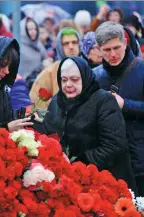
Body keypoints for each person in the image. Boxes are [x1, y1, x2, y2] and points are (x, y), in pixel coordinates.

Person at [32, 57, 137, 192]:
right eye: (64, 80)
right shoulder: (57, 101)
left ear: (85, 78)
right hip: (70, 182)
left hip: (105, 183)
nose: (68, 84)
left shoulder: (103, 101)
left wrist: (78, 162)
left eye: (74, 79)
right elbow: (51, 131)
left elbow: (114, 145)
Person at [93, 21, 144, 196]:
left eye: (117, 47)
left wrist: (125, 105)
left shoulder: (142, 69)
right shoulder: (95, 76)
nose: (113, 54)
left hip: (139, 161)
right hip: (108, 162)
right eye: (107, 50)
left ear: (125, 43)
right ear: (99, 49)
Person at [29, 27, 82, 110]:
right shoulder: (49, 72)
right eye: (66, 43)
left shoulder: (88, 70)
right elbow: (37, 103)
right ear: (60, 46)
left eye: (74, 42)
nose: (71, 47)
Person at [19, 17, 48, 89]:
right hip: (23, 86)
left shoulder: (40, 45)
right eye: (30, 29)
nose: (33, 32)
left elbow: (45, 61)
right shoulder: (19, 46)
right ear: (23, 30)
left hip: (39, 85)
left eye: (35, 29)